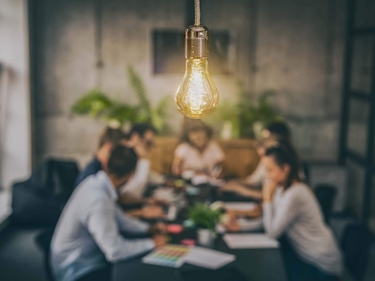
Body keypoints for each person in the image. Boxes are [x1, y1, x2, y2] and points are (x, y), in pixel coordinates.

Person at [51, 145, 167, 281]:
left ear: (106, 164)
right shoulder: (97, 200)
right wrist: (152, 243)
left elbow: (119, 218)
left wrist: (147, 229)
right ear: (131, 175)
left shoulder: (95, 183)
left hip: (80, 260)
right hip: (76, 270)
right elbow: (115, 251)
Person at [262, 142, 342, 281]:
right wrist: (241, 226)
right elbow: (272, 219)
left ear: (285, 169)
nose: (267, 176)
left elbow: (272, 232)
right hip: (306, 258)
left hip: (322, 266)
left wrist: (267, 200)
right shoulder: (282, 188)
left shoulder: (295, 194)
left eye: (270, 170)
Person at [220, 122, 292, 200]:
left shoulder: (282, 164)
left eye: (266, 139)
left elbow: (270, 196)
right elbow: (254, 181)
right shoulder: (267, 159)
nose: (262, 142)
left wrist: (242, 190)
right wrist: (234, 184)